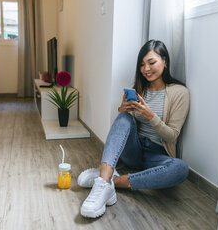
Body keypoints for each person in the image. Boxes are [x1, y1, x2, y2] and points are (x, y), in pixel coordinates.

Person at [78, 40, 190, 218]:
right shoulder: (137, 89)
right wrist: (123, 110)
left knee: (181, 169)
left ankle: (109, 181)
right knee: (123, 118)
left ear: (165, 61)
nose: (146, 69)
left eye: (151, 62)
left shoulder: (179, 92)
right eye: (142, 65)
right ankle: (104, 181)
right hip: (134, 151)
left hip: (158, 155)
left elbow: (172, 136)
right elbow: (123, 127)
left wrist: (151, 117)